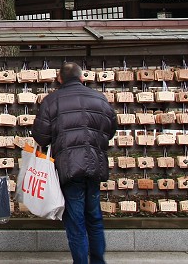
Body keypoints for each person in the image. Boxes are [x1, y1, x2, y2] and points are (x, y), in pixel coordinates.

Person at [33, 62, 117, 264]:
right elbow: (111, 128)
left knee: (75, 219)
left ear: (60, 79)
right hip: (95, 164)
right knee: (94, 216)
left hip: (69, 166)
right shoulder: (99, 98)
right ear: (82, 78)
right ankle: (98, 261)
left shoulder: (52, 101)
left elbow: (41, 137)